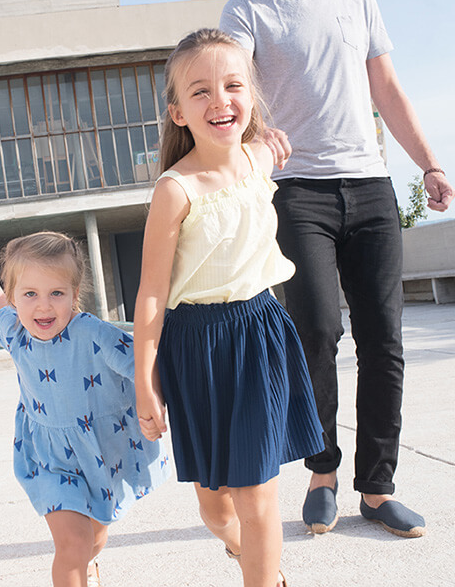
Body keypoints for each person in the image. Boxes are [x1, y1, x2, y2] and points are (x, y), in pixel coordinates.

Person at [220, 0, 455, 539]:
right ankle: (321, 474)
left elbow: (387, 87)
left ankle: (377, 489)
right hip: (296, 188)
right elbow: (231, 86)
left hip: (371, 183)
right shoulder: (247, 8)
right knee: (318, 330)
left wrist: (430, 164)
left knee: (384, 340)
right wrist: (252, 137)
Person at [134, 29, 324, 587]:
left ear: (251, 95)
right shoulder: (175, 189)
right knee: (216, 509)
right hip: (195, 345)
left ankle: (263, 576)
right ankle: (247, 554)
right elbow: (149, 292)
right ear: (177, 112)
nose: (220, 101)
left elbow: (272, 138)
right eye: (200, 92)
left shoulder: (261, 156)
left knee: (258, 494)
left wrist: (270, 141)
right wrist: (145, 381)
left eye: (233, 85)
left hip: (260, 330)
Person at [0, 231, 170, 587]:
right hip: (50, 460)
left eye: (56, 293)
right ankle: (80, 563)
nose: (43, 306)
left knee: (93, 538)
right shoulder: (15, 332)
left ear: (75, 296)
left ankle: (90, 560)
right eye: (30, 294)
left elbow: (144, 364)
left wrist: (154, 404)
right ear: (14, 298)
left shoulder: (91, 333)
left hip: (102, 453)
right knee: (72, 545)